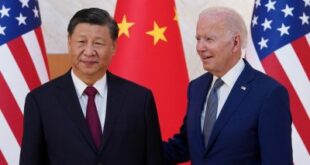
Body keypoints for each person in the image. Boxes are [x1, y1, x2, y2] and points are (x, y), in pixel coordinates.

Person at [20, 8, 163, 165]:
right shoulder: (40, 101)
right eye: (81, 42)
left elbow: (153, 159)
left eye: (98, 43)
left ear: (114, 47)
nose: (89, 52)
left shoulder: (140, 100)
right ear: (69, 43)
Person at [163, 7, 293, 165]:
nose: (200, 47)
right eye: (198, 39)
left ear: (235, 43)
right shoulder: (196, 88)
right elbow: (185, 146)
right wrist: (134, 145)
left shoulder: (269, 94)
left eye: (209, 39)